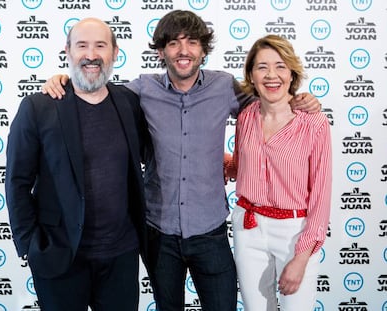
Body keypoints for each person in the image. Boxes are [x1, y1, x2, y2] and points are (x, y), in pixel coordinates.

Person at [41, 10, 321, 311]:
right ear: (161, 51)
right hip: (159, 234)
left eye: (192, 42)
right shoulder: (142, 90)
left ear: (203, 49)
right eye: (174, 43)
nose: (184, 51)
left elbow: (270, 103)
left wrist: (300, 99)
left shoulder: (225, 87)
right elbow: (96, 93)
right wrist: (63, 80)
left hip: (211, 232)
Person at [5, 18, 148, 311]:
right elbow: (17, 181)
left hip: (121, 257)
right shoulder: (39, 107)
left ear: (115, 52)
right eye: (82, 45)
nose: (91, 54)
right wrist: (30, 245)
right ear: (67, 51)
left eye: (100, 46)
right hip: (60, 256)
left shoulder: (129, 102)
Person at [224, 34, 332, 311]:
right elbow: (242, 165)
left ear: (292, 72)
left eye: (280, 66)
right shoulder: (246, 116)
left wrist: (302, 256)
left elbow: (320, 196)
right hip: (248, 226)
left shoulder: (313, 122)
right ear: (250, 74)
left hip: (295, 232)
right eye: (262, 67)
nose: (272, 75)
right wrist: (217, 163)